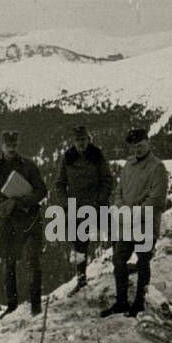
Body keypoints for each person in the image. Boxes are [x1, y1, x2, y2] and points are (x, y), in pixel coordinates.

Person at [101, 127, 168, 318]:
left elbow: (157, 200)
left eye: (140, 145)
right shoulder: (128, 166)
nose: (136, 149)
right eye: (133, 146)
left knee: (143, 261)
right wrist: (122, 210)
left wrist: (134, 214)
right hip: (126, 224)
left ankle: (139, 302)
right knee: (119, 259)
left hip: (145, 224)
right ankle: (121, 302)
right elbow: (119, 192)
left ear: (148, 143)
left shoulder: (157, 167)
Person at [0, 130, 48, 316]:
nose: (11, 148)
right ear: (1, 146)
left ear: (17, 145)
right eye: (7, 145)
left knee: (33, 261)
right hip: (8, 222)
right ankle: (11, 305)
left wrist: (20, 201)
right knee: (8, 264)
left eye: (13, 145)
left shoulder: (28, 166)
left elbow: (42, 191)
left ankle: (36, 305)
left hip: (30, 220)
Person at [53, 124, 113, 295]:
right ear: (73, 141)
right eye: (78, 140)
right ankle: (81, 280)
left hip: (97, 205)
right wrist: (66, 204)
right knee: (79, 247)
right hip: (76, 208)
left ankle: (120, 269)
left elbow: (107, 180)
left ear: (88, 139)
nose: (81, 143)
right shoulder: (68, 158)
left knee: (115, 234)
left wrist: (100, 200)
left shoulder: (97, 155)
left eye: (84, 139)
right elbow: (59, 184)